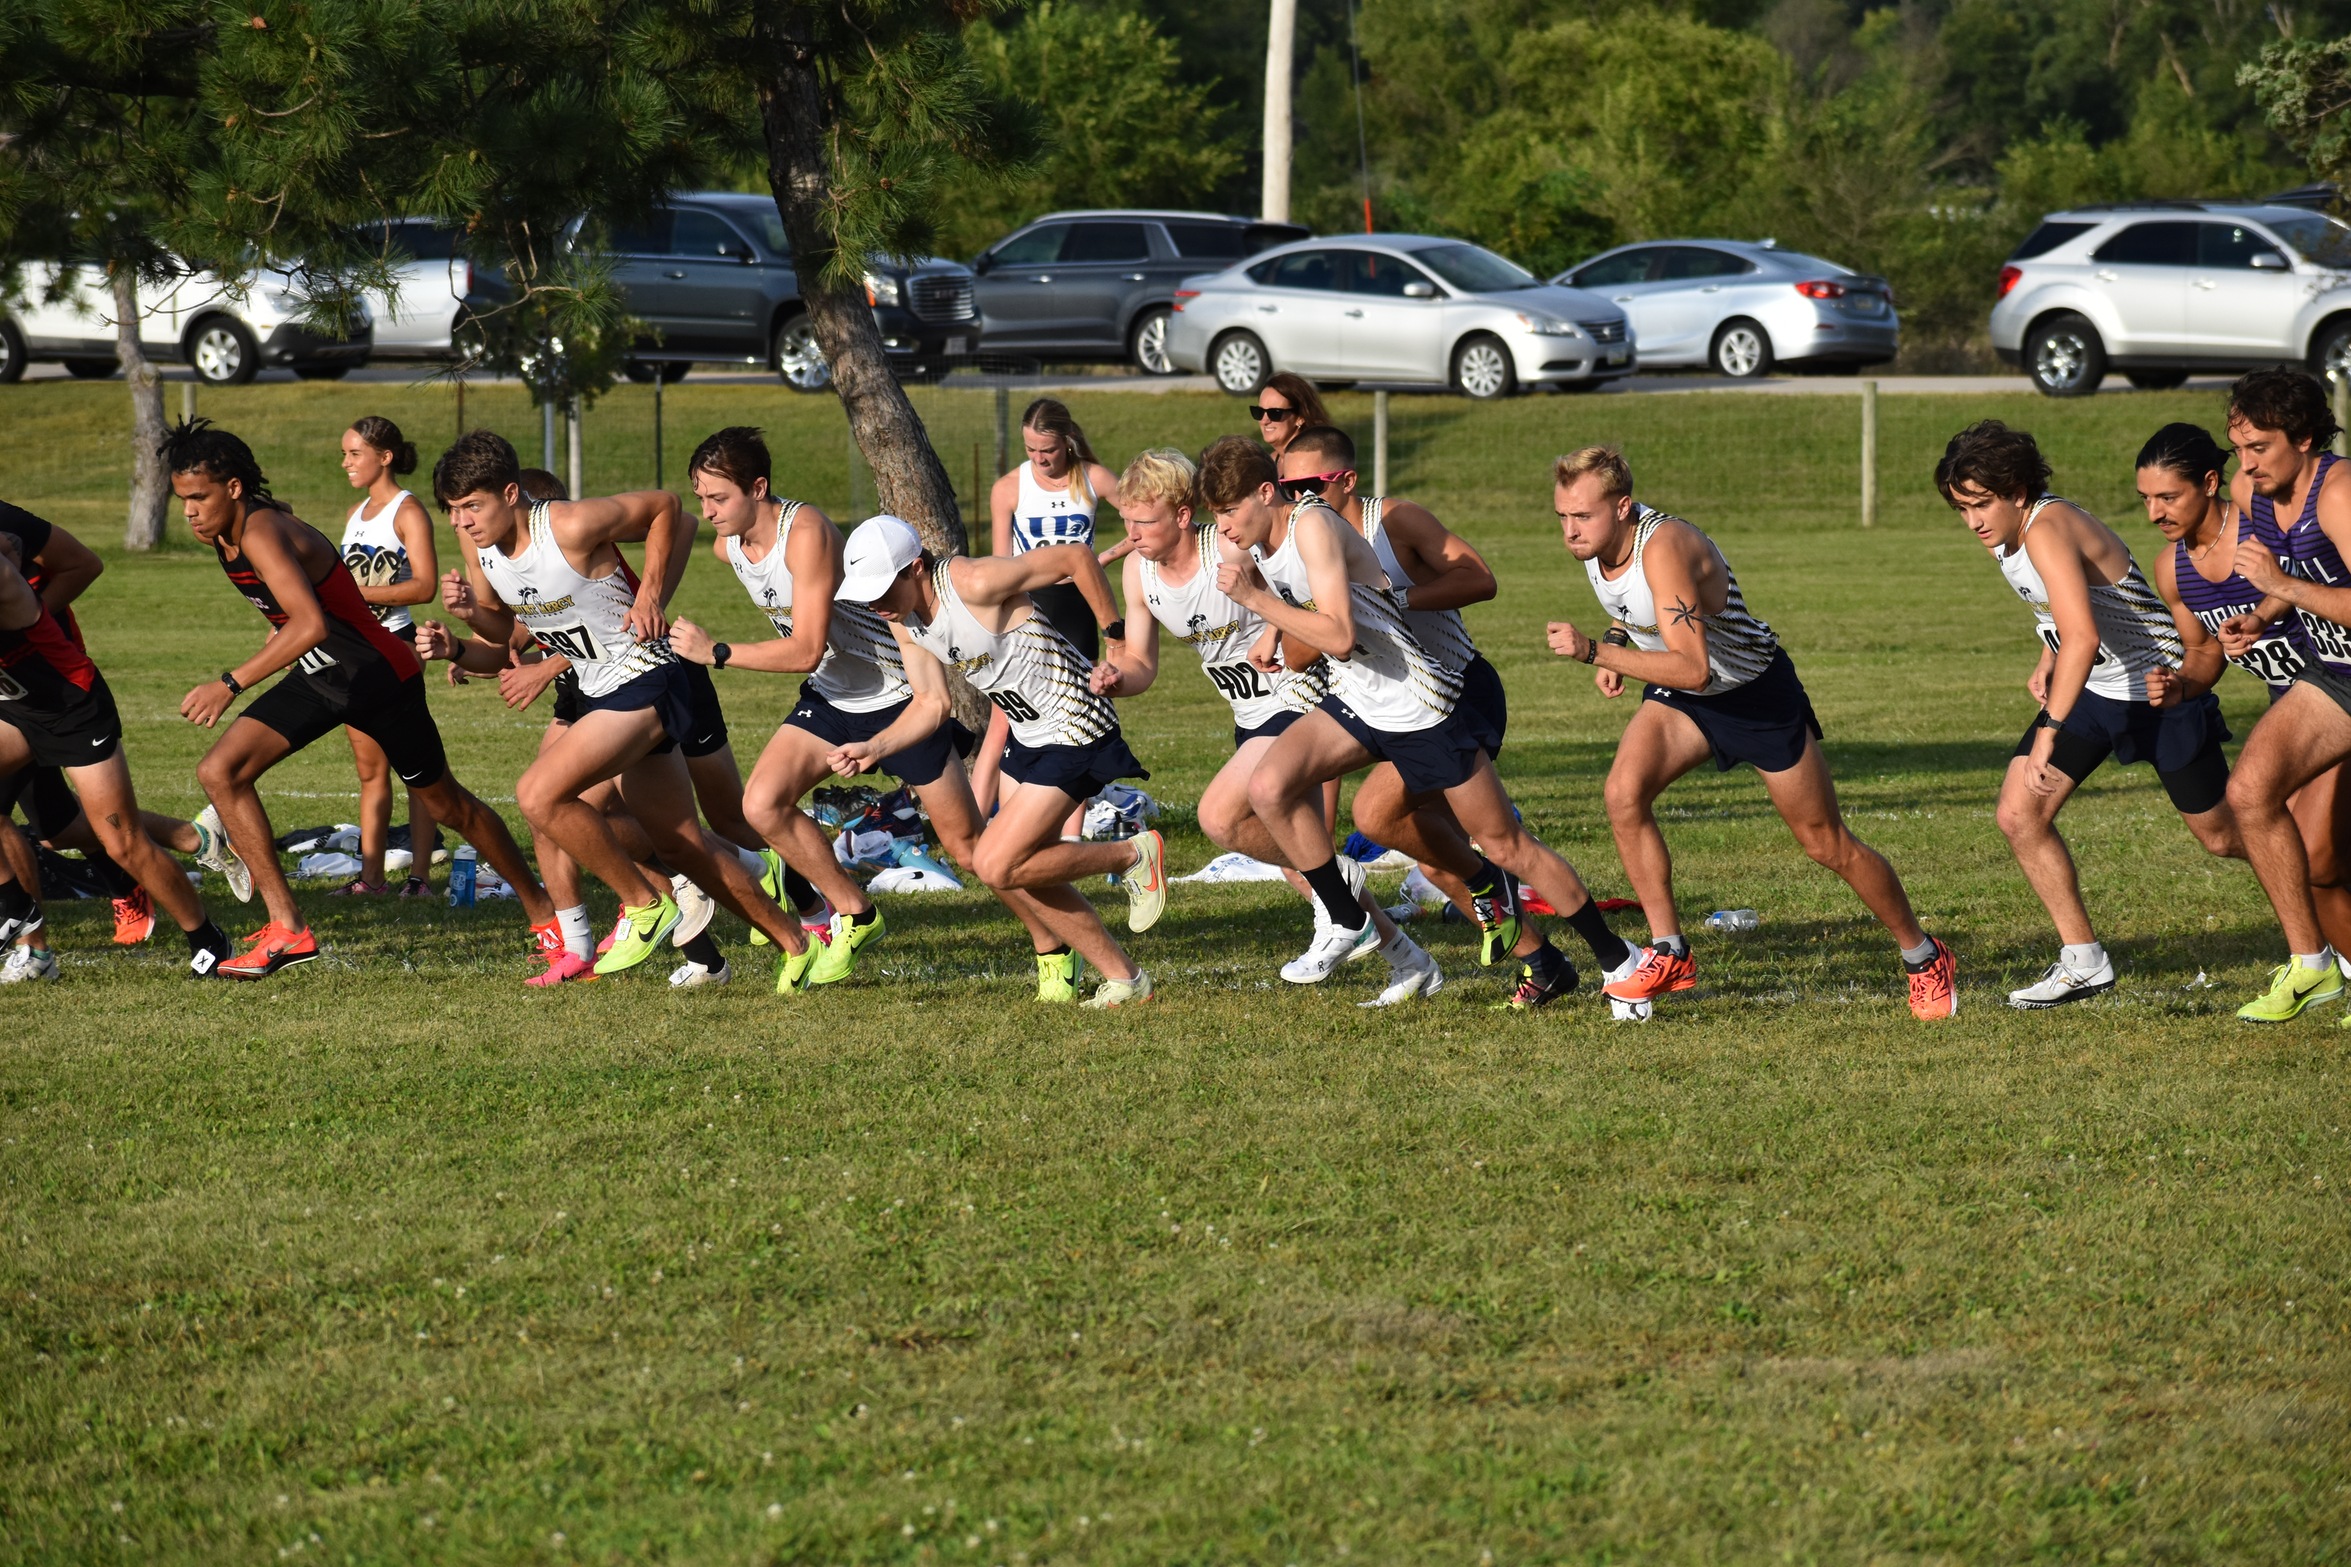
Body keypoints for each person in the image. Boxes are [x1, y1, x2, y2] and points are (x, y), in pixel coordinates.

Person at [1198, 436, 1636, 1009]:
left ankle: (1617, 958)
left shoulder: (1319, 525)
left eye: (1230, 512)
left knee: (1506, 843)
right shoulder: (1263, 536)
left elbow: (1341, 632)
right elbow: (1311, 618)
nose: (1225, 527)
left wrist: (1262, 606)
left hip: (1420, 703)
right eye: (1215, 516)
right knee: (1270, 785)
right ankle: (1344, 913)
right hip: (1360, 698)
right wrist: (1273, 628)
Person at [1546, 446, 1957, 1018]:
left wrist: (1591, 651)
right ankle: (1670, 951)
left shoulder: (1664, 548)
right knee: (1623, 793)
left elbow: (1695, 665)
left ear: (1622, 508)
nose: (1570, 531)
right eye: (1562, 517)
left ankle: (1924, 955)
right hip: (1688, 699)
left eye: (1582, 516)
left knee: (1826, 844)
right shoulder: (1599, 545)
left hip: (1754, 695)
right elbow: (1634, 607)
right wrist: (1616, 644)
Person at [164, 418, 558, 979]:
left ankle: (543, 912)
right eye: (182, 500)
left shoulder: (259, 530)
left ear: (232, 488)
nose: (190, 512)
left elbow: (309, 625)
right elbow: (294, 622)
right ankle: (289, 930)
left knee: (448, 805)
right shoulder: (225, 537)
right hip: (325, 677)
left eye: (199, 497)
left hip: (376, 675)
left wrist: (229, 684)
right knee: (220, 772)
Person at [420, 428, 812, 988]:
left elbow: (665, 508)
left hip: (646, 679)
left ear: (510, 494)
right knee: (683, 843)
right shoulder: (484, 548)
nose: (461, 522)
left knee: (539, 794)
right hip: (601, 689)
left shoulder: (569, 525)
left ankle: (644, 905)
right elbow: (511, 632)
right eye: (453, 511)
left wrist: (650, 593)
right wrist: (462, 632)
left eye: (471, 507)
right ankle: (795, 942)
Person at [664, 427, 1028, 988]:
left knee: (971, 849)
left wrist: (716, 652)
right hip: (833, 699)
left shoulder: (804, 533)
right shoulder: (729, 543)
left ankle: (1056, 945)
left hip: (896, 696)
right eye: (702, 498)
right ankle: (853, 914)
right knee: (762, 805)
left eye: (718, 498)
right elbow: (683, 531)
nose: (708, 511)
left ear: (758, 488)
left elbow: (806, 648)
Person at [1091, 446, 1442, 1004]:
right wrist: (1117, 677)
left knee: (1220, 816)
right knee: (1302, 867)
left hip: (1300, 696)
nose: (1131, 533)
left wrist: (1276, 634)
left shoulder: (1228, 545)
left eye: (1144, 520)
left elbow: (1293, 581)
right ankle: (1408, 959)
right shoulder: (1140, 573)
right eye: (1125, 521)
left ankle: (1344, 888)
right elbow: (1142, 665)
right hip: (1249, 717)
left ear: (1183, 516)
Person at [1935, 419, 2237, 1010]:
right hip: (2097, 690)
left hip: (2158, 691)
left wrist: (2048, 730)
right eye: (1961, 508)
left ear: (2017, 491)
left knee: (2224, 837)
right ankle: (2084, 961)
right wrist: (2046, 656)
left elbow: (2083, 633)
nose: (1972, 521)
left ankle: (2329, 887)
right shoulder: (2010, 532)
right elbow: (2063, 619)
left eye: (1980, 504)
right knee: (2020, 814)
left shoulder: (2046, 527)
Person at [835, 514, 1166, 1007]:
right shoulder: (904, 622)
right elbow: (931, 704)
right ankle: (1126, 978)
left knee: (994, 862)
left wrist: (1115, 638)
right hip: (1029, 734)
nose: (874, 602)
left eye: (882, 588)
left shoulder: (973, 581)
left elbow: (1075, 558)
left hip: (1075, 720)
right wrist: (873, 747)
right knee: (1024, 870)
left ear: (917, 569)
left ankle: (1134, 854)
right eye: (865, 593)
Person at [1272, 425, 1560, 980]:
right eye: (1287, 489)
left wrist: (1392, 599)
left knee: (1472, 839)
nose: (1297, 501)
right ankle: (1540, 958)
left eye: (1309, 486)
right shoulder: (1304, 545)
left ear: (1347, 481)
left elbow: (1480, 578)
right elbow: (1306, 649)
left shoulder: (1394, 520)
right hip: (1385, 705)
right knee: (1427, 845)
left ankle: (1614, 953)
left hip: (1453, 694)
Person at [2138, 420, 2351, 973]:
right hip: (2293, 707)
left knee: (2318, 857)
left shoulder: (2256, 530)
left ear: (2210, 482)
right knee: (2303, 856)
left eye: (2168, 496)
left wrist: (2268, 603)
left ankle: (2318, 966)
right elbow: (2204, 653)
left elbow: (2307, 572)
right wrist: (2179, 683)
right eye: (2146, 500)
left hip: (2330, 692)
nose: (2155, 513)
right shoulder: (2173, 569)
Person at [0, 505, 247, 956]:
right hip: (14, 708)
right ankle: (16, 908)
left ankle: (208, 941)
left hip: (69, 706)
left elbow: (74, 561)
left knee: (123, 841)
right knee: (59, 829)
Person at [2213, 369, 2351, 1023]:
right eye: (2238, 448)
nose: (2245, 464)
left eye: (2259, 447)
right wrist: (2261, 614)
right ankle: (2312, 966)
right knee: (2248, 794)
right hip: (2334, 675)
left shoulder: (2340, 492)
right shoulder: (2258, 492)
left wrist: (2283, 591)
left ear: (2302, 437)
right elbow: (2291, 571)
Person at [972, 399, 1123, 815]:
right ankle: (974, 829)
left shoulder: (1093, 478)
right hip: (1028, 611)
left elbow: (1144, 519)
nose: (1039, 459)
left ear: (1068, 441)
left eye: (1048, 451)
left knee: (1076, 723)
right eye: (1031, 450)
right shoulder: (1009, 488)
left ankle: (1066, 834)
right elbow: (1003, 566)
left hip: (1077, 609)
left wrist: (1100, 560)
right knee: (1004, 723)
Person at [333, 415, 441, 897]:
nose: (346, 463)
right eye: (345, 453)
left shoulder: (408, 511)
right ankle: (371, 878)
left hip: (395, 648)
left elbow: (424, 585)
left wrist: (361, 593)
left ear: (385, 457)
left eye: (355, 453)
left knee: (416, 768)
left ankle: (419, 877)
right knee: (370, 771)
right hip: (355, 653)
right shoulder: (356, 512)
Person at [1249, 372, 1331, 462]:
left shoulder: (1309, 463)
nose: (1264, 421)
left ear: (1300, 417)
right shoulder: (1271, 462)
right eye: (1259, 412)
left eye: (1275, 413)